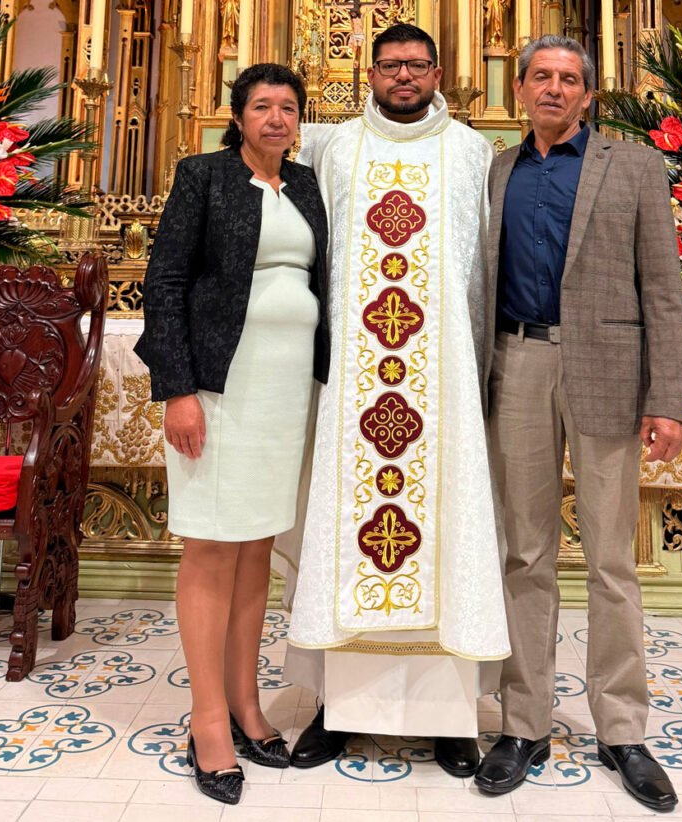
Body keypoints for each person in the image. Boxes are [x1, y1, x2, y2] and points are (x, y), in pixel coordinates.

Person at [280, 23, 510, 777]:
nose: (403, 76)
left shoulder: (472, 153)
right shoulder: (334, 150)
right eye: (390, 66)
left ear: (438, 72)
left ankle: (449, 720)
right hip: (356, 385)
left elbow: (485, 269)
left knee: (448, 533)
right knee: (345, 530)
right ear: (370, 73)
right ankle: (338, 710)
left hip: (441, 386)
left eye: (416, 65)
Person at [473, 36, 682, 810]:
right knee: (524, 554)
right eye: (542, 77)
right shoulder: (496, 171)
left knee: (611, 562)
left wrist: (669, 397)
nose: (555, 89)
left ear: (588, 95)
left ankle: (622, 729)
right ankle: (523, 722)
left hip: (608, 372)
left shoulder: (633, 167)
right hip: (517, 363)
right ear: (521, 88)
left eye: (569, 80)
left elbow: (662, 288)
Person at [134, 63, 329, 806]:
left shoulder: (305, 185)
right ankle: (208, 719)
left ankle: (247, 701)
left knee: (255, 548)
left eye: (288, 107)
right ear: (238, 116)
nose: (276, 118)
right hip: (219, 388)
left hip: (286, 390)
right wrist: (178, 389)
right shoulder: (204, 176)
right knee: (214, 545)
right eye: (262, 106)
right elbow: (165, 282)